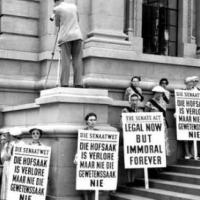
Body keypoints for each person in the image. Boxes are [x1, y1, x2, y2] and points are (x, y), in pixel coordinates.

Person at [53, 0, 83, 88]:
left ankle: (65, 83)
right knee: (77, 59)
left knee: (65, 60)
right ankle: (78, 83)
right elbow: (78, 20)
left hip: (66, 37)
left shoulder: (57, 9)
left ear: (55, 1)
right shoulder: (74, 6)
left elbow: (57, 24)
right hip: (77, 35)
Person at [74, 112, 98, 200]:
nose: (93, 122)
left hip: (95, 160)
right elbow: (80, 146)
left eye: (94, 120)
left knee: (94, 181)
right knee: (84, 181)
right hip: (85, 159)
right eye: (91, 120)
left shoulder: (98, 132)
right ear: (87, 121)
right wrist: (77, 157)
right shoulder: (82, 132)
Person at [121, 94, 143, 184]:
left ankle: (133, 179)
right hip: (128, 137)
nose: (134, 102)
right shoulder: (125, 110)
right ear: (129, 101)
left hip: (137, 138)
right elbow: (122, 124)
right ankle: (129, 180)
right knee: (128, 159)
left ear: (138, 101)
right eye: (132, 100)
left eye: (136, 100)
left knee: (136, 159)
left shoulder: (140, 111)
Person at [145, 85, 170, 157]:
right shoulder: (149, 103)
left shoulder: (164, 103)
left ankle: (163, 159)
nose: (159, 95)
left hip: (162, 124)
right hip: (152, 125)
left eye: (161, 93)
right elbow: (146, 114)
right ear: (155, 93)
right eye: (158, 93)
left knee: (163, 141)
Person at [0, 128, 23, 200]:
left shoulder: (20, 144)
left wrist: (10, 157)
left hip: (14, 166)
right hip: (7, 165)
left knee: (12, 183)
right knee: (6, 183)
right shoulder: (8, 144)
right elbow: (2, 157)